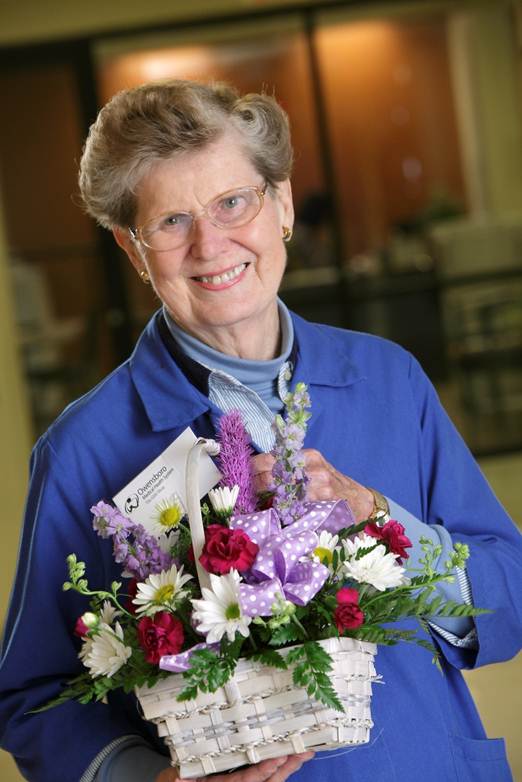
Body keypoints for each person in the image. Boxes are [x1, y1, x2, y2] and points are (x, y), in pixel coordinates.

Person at [0, 79, 520, 782]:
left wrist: (379, 521)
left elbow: (509, 591)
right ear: (132, 249)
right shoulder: (82, 450)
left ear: (282, 206)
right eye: (170, 222)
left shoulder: (389, 379)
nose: (211, 245)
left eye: (232, 203)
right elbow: (31, 698)